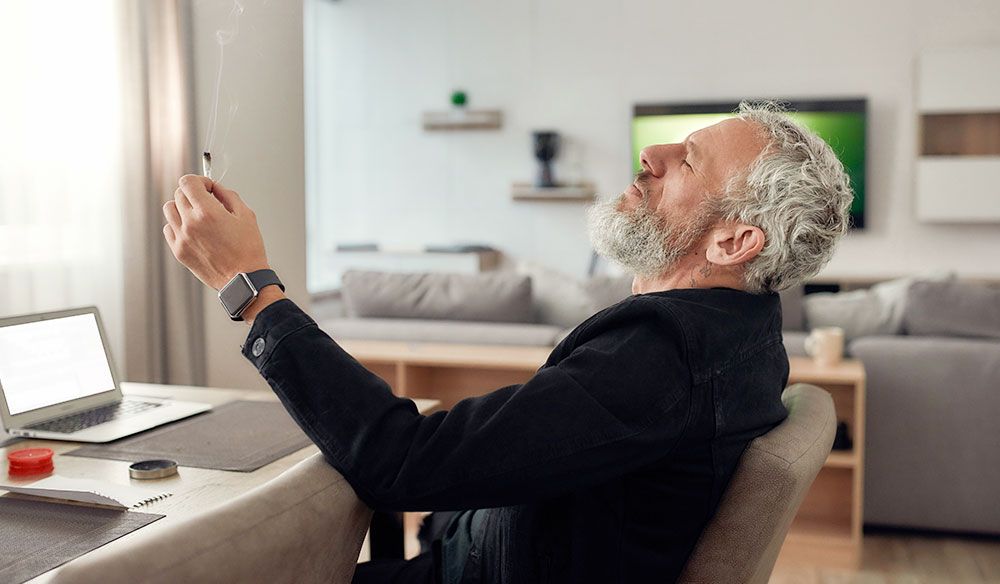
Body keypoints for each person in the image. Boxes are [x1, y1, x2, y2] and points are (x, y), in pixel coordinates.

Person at [162, 101, 852, 583]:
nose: (652, 153)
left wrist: (249, 287)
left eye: (688, 163)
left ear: (734, 241)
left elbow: (403, 463)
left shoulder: (661, 360)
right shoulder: (749, 332)